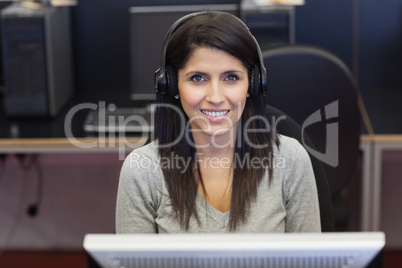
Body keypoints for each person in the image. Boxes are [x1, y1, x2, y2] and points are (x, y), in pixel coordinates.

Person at [116, 11, 320, 233]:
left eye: (231, 77)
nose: (215, 97)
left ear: (253, 84)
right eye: (198, 78)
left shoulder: (290, 161)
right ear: (172, 85)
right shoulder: (142, 172)